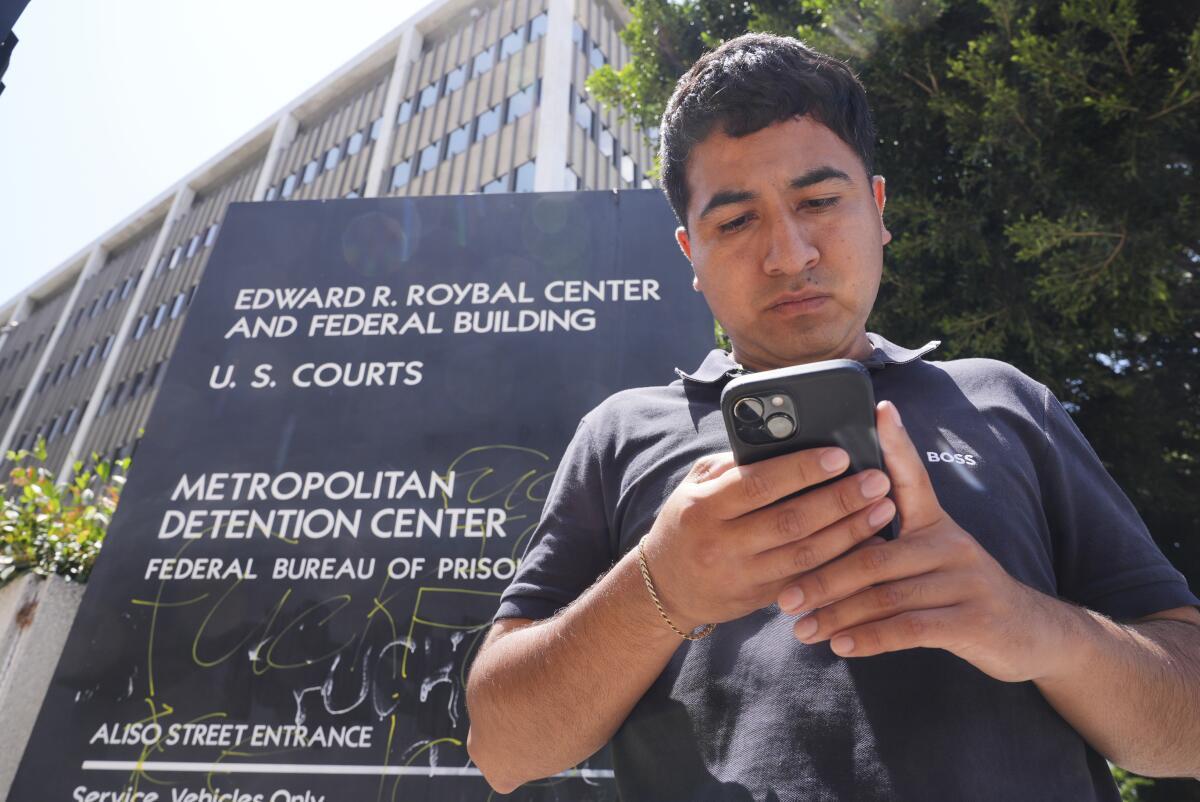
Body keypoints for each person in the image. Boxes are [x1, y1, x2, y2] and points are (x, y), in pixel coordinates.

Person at [464, 33, 1200, 800]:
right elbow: (504, 750)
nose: (789, 255)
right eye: (735, 221)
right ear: (690, 254)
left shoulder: (1007, 402)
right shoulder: (620, 435)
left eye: (818, 202)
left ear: (878, 210)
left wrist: (1037, 629)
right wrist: (660, 588)